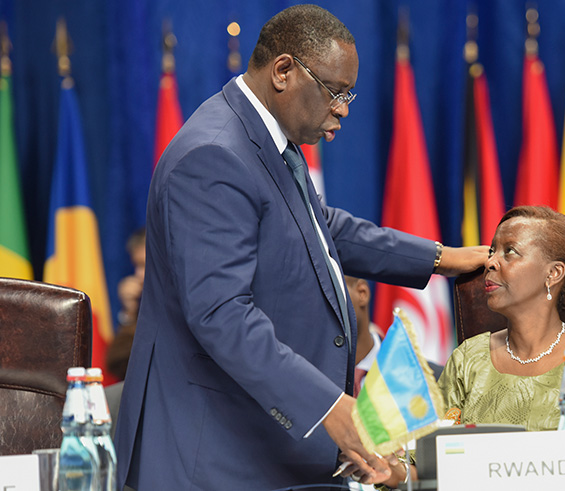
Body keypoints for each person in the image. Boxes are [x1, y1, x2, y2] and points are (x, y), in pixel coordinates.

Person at [113, 5, 487, 489]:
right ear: (284, 71)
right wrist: (328, 406)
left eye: (349, 94)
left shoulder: (266, 139)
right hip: (210, 456)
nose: (344, 108)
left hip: (255, 446)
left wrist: (438, 258)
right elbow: (221, 314)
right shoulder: (215, 155)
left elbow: (318, 225)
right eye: (335, 92)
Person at [342, 206, 565, 489]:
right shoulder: (469, 357)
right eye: (492, 250)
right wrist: (392, 471)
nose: (490, 262)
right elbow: (429, 465)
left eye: (510, 252)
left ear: (553, 273)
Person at [105, 227, 146, 380]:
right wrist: (129, 311)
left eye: (144, 264)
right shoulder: (140, 305)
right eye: (136, 265)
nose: (138, 275)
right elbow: (118, 363)